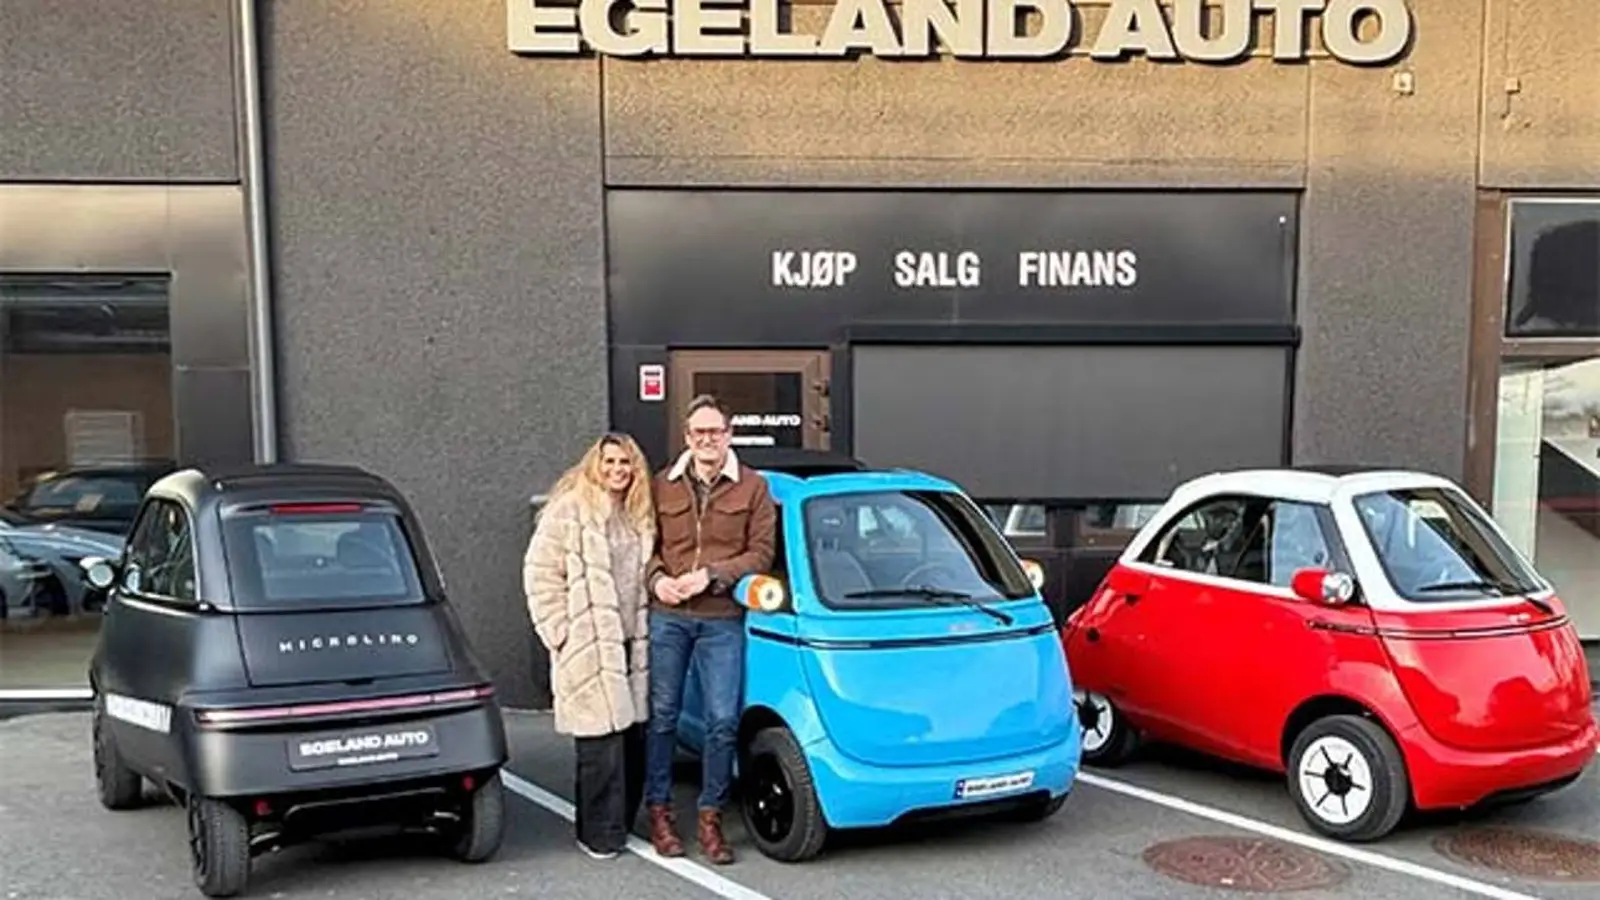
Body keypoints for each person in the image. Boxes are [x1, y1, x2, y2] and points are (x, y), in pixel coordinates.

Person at [642, 394, 776, 865]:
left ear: (729, 434)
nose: (707, 440)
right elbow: (645, 547)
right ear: (687, 437)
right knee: (662, 716)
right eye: (699, 432)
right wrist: (657, 580)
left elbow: (762, 553)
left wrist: (712, 575)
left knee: (722, 721)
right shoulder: (662, 485)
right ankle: (659, 813)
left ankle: (710, 817)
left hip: (722, 619)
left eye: (715, 432)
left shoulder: (753, 487)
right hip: (669, 616)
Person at [523, 432, 657, 859]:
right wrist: (561, 632)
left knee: (632, 745)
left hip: (630, 645)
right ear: (595, 465)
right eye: (610, 461)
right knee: (599, 749)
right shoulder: (569, 509)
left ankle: (622, 823)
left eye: (625, 462)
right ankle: (597, 834)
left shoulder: (639, 514)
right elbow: (540, 573)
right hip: (588, 645)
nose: (618, 470)